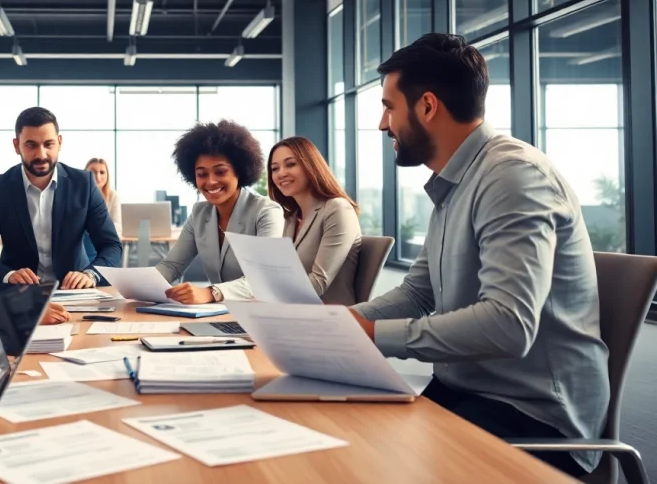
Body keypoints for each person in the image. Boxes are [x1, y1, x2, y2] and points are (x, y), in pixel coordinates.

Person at [349, 33, 609, 477]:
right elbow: (416, 293)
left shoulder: (512, 177)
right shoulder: (455, 183)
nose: (381, 124)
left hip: (531, 418)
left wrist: (373, 335)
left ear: (427, 106)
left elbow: (509, 325)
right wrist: (337, 327)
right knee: (344, 436)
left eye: (389, 106)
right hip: (462, 393)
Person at [0, 107, 122, 290]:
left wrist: (90, 275)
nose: (41, 154)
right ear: (16, 145)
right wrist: (8, 275)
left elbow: (112, 246)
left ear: (59, 142)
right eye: (31, 145)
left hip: (74, 292)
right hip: (19, 294)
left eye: (48, 144)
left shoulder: (84, 184)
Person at [157, 120, 284, 303]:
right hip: (220, 315)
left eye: (220, 172)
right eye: (202, 174)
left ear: (239, 172)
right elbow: (172, 265)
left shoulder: (266, 211)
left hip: (263, 314)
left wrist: (211, 292)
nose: (210, 182)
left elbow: (264, 278)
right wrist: (140, 286)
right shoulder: (200, 214)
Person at [266, 136, 361, 305]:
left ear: (311, 166)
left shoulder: (338, 209)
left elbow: (318, 284)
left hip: (330, 319)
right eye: (275, 168)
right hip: (292, 313)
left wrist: (267, 293)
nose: (281, 173)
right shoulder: (292, 218)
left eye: (291, 164)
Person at [82, 157, 122, 263]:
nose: (98, 176)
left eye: (102, 172)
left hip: (103, 240)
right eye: (93, 172)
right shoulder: (77, 195)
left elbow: (117, 226)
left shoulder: (113, 196)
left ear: (107, 175)